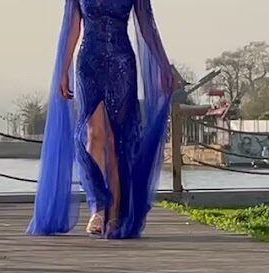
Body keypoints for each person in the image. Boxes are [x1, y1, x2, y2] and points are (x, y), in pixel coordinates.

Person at [27, 0, 176, 239]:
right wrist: (63, 69)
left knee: (115, 139)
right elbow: (72, 26)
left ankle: (115, 209)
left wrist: (162, 64)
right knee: (94, 132)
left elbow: (147, 25)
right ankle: (99, 206)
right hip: (88, 63)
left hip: (121, 64)